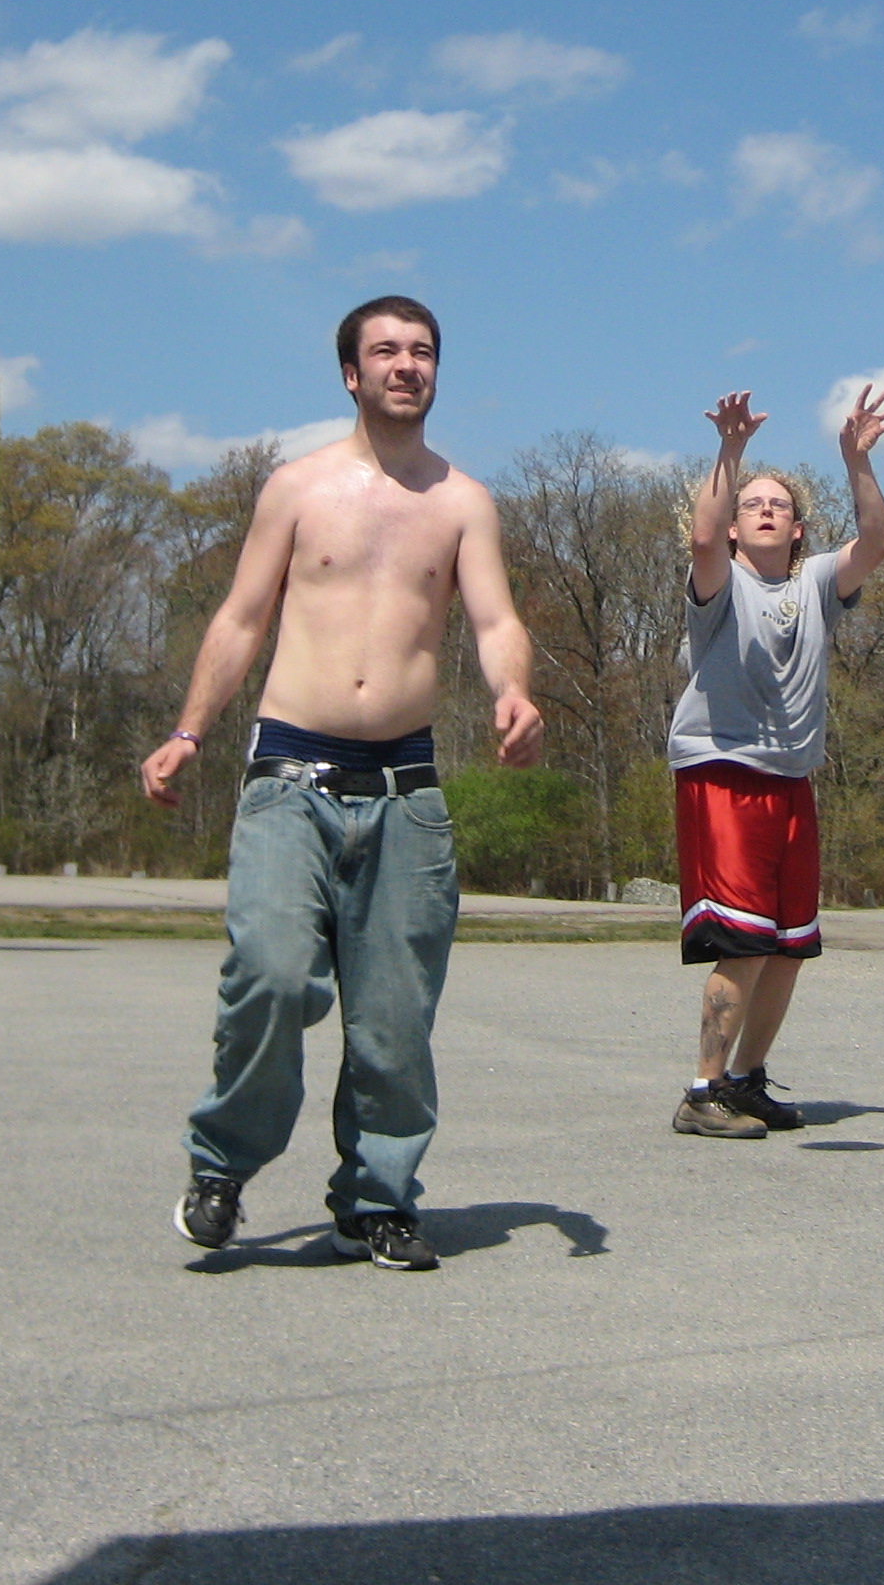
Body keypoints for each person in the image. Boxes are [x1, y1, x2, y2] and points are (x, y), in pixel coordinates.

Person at [140, 297, 544, 1269]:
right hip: (289, 777)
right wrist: (189, 730)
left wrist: (515, 692)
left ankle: (377, 1197)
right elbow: (241, 617)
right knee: (271, 979)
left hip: (407, 790)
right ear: (350, 376)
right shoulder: (296, 488)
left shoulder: (462, 502)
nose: (407, 365)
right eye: (386, 352)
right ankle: (223, 1166)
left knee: (394, 1020)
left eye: (423, 351)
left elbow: (494, 621)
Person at [665, 383, 884, 1138]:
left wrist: (855, 461)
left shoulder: (817, 584)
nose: (764, 510)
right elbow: (699, 541)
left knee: (788, 945)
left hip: (793, 778)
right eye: (751, 504)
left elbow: (877, 543)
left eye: (779, 505)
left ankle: (744, 1080)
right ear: (736, 528)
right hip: (723, 772)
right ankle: (701, 1092)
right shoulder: (720, 580)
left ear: (798, 530)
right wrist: (730, 453)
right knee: (741, 938)